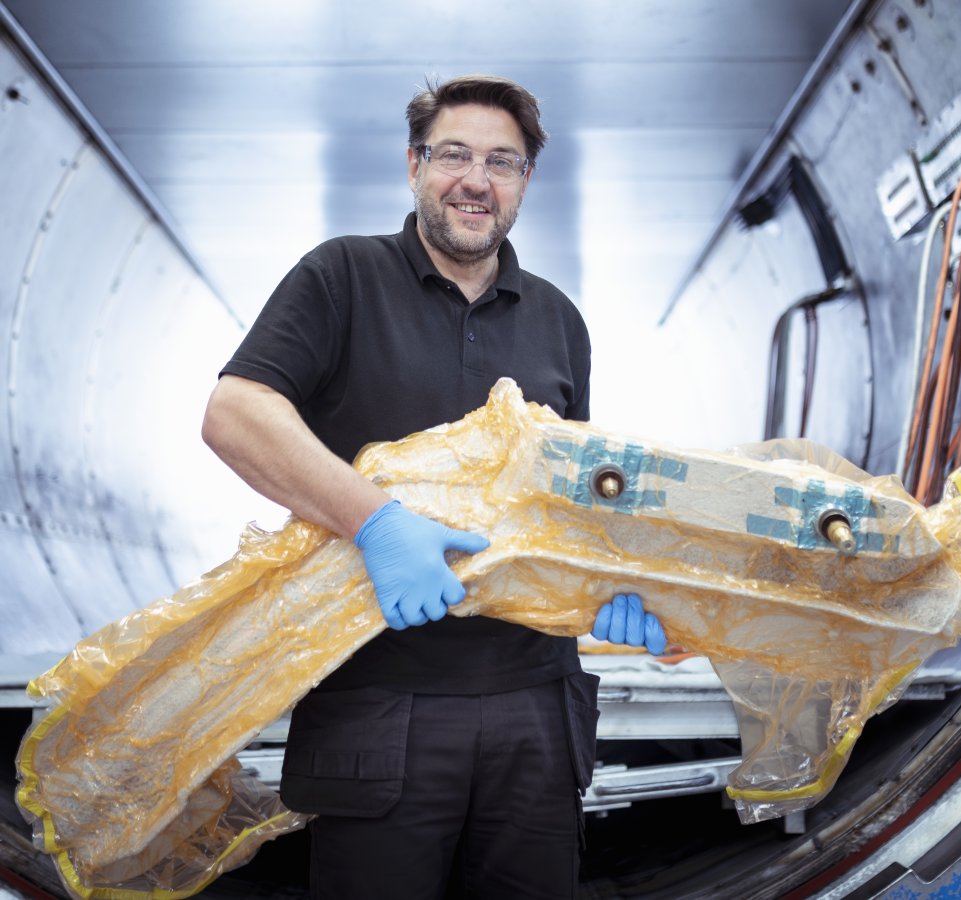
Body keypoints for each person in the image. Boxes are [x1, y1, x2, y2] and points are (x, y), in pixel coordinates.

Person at [201, 73, 666, 899]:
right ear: (415, 164)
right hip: (380, 703)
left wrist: (614, 587)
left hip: (536, 710)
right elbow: (236, 413)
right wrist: (376, 522)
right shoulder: (342, 277)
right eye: (454, 154)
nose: (476, 180)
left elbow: (577, 500)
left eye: (504, 162)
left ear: (525, 181)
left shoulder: (558, 318)